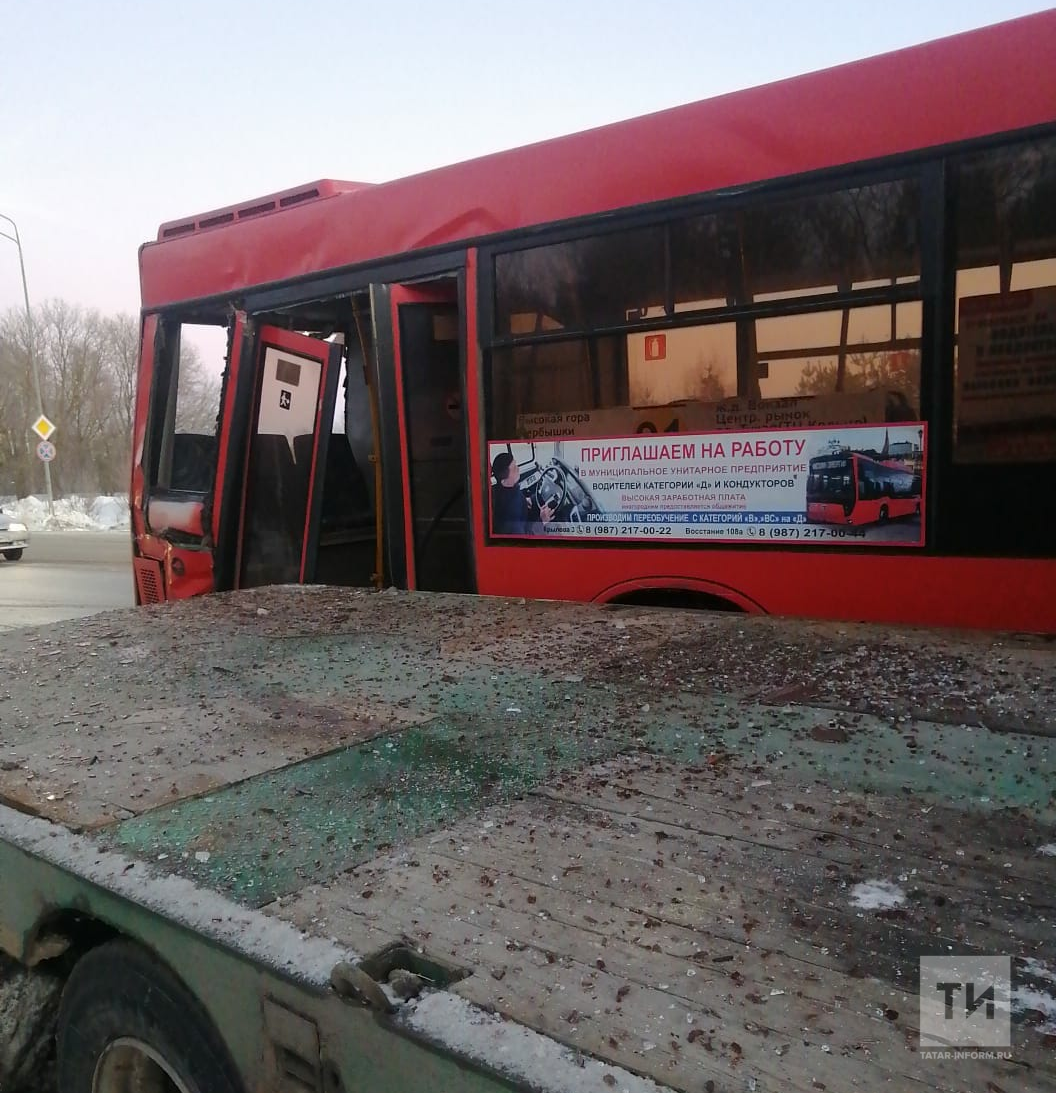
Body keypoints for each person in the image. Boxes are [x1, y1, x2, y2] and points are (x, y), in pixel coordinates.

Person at [491, 452, 554, 535]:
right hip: (527, 527)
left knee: (538, 498)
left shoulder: (503, 488)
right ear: (504, 481)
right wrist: (542, 521)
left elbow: (514, 493)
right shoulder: (510, 516)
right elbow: (524, 538)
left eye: (516, 464)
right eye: (514, 469)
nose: (518, 468)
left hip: (524, 512)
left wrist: (524, 500)